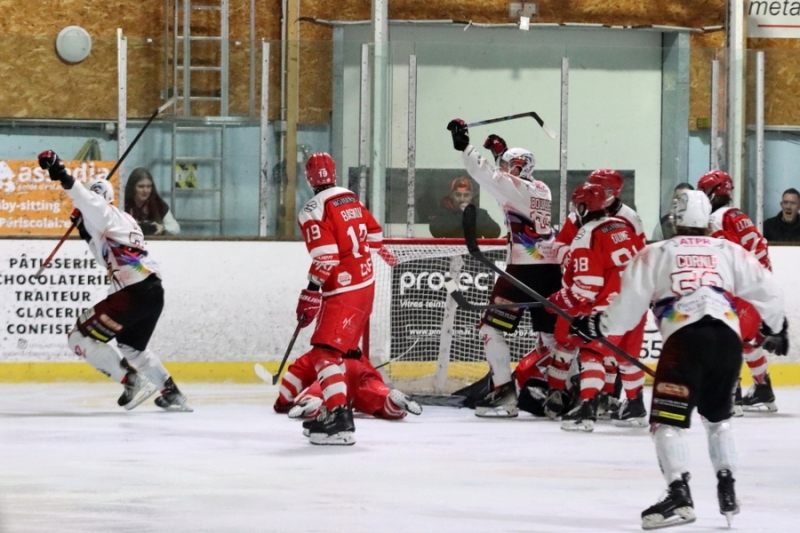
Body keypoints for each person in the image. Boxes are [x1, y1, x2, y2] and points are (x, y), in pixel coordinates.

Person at [571, 190, 787, 529]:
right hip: (728, 342)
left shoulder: (656, 252)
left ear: (674, 219)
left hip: (684, 342)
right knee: (718, 420)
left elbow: (626, 312)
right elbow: (770, 290)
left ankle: (678, 493)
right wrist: (777, 327)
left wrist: (596, 324)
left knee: (666, 423)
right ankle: (727, 489)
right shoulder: (728, 250)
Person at [37, 151, 192, 412]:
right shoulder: (123, 221)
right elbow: (104, 256)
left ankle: (131, 381)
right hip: (152, 292)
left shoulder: (102, 210)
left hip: (132, 293)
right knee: (131, 348)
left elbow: (84, 198)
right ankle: (171, 392)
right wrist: (84, 230)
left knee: (77, 337)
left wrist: (58, 171)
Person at [447, 119, 563, 418]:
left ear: (517, 168)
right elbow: (505, 175)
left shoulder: (514, 186)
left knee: (489, 328)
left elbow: (484, 173)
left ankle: (504, 392)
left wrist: (465, 146)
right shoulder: (541, 188)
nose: (505, 169)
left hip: (525, 268)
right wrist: (502, 151)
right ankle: (561, 392)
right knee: (552, 336)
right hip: (552, 269)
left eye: (509, 164)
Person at [293, 152, 383, 445]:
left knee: (323, 353)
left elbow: (327, 256)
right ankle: (336, 410)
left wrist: (311, 291)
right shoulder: (350, 197)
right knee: (340, 353)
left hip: (344, 292)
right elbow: (376, 236)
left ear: (309, 178)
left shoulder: (311, 208)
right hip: (366, 285)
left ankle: (339, 417)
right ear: (333, 172)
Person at [549, 169, 647, 423]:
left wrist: (559, 300)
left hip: (610, 308)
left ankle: (587, 407)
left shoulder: (588, 234)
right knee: (627, 356)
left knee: (593, 352)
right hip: (638, 301)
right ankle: (635, 405)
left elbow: (588, 286)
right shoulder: (622, 225)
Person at [697, 170, 777, 413]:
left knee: (726, 339)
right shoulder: (737, 215)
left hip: (742, 287)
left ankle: (731, 396)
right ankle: (763, 389)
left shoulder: (716, 220)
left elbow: (726, 254)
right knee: (745, 339)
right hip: (759, 283)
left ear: (712, 194)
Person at [273, 349, 422, 420]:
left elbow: (297, 374)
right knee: (378, 399)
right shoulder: (355, 351)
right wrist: (379, 385)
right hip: (361, 372)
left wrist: (282, 402)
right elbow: (372, 375)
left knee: (323, 389)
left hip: (333, 373)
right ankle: (391, 402)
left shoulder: (320, 350)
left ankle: (313, 403)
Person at [428, 177, 501, 238]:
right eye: (458, 195)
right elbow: (435, 231)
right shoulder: (441, 212)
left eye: (466, 195)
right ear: (452, 195)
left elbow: (495, 232)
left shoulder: (479, 213)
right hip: (450, 253)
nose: (462, 199)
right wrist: (461, 214)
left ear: (471, 196)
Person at [124, 168, 181, 236]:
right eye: (141, 187)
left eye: (149, 186)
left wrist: (162, 227)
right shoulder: (123, 204)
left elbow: (176, 228)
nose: (145, 191)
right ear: (132, 188)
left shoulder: (159, 204)